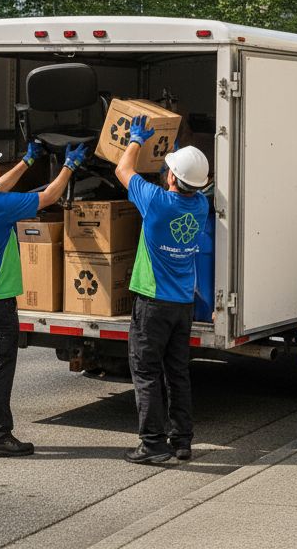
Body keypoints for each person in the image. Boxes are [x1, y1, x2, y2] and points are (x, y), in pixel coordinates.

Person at [0, 138, 87, 457]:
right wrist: (70, 166)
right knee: (0, 363)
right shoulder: (0, 207)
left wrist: (27, 162)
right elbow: (50, 196)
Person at [116, 115, 211, 465]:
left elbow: (123, 169)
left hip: (152, 303)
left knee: (145, 373)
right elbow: (187, 182)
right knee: (177, 372)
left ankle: (153, 444)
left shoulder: (156, 202)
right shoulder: (199, 206)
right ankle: (182, 440)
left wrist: (137, 140)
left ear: (171, 177)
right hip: (182, 304)